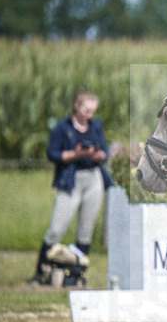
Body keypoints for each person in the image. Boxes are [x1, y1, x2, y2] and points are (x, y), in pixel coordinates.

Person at [31, 89, 113, 283]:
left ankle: (78, 275)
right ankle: (39, 273)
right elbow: (53, 154)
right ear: (76, 105)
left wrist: (99, 155)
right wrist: (76, 154)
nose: (89, 115)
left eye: (92, 111)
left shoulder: (95, 127)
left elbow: (104, 151)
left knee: (86, 229)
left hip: (93, 179)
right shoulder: (62, 128)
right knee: (57, 228)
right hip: (71, 180)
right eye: (86, 110)